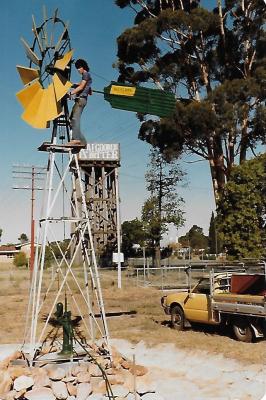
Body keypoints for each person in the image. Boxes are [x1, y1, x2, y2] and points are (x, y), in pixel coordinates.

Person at [68, 59, 92, 146]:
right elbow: (86, 87)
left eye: (79, 67)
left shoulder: (85, 74)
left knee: (75, 119)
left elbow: (82, 87)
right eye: (77, 68)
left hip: (81, 100)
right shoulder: (85, 76)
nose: (78, 70)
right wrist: (75, 85)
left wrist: (71, 93)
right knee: (71, 119)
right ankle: (83, 141)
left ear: (83, 67)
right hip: (80, 99)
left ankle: (76, 139)